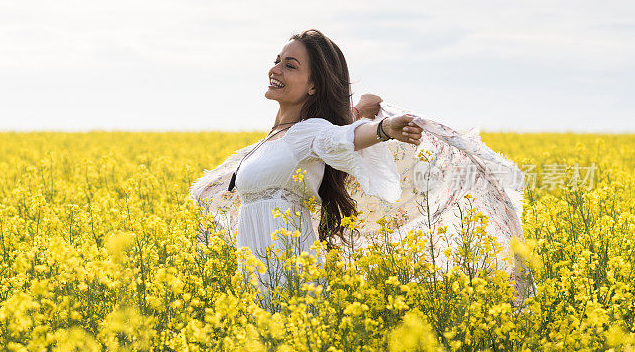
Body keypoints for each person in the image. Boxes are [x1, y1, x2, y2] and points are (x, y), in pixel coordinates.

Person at [189, 29, 535, 309]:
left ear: (313, 86)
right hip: (259, 271)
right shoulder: (275, 140)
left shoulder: (309, 133)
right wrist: (358, 113)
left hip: (290, 274)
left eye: (290, 65)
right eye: (276, 61)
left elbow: (338, 139)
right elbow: (335, 132)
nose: (275, 69)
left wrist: (382, 130)